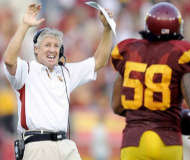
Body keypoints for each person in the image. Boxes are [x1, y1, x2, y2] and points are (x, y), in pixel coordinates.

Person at [3, 3, 113, 160]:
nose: (52, 49)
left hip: (65, 145)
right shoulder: (26, 69)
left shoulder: (66, 71)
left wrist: (107, 30)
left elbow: (99, 61)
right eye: (47, 45)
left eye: (56, 46)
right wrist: (24, 26)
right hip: (37, 144)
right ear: (36, 49)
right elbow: (8, 60)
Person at [111, 2, 190, 160]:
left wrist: (141, 115)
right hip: (167, 140)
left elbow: (116, 106)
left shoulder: (130, 52)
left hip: (133, 142)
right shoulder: (181, 54)